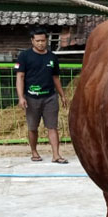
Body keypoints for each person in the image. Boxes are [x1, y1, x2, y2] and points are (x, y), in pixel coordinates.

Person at [15, 28, 68, 163]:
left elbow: (56, 78)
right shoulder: (24, 56)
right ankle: (34, 152)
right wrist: (21, 97)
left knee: (52, 126)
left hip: (50, 97)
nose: (40, 43)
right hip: (31, 98)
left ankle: (56, 155)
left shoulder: (52, 57)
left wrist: (62, 95)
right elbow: (20, 77)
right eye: (37, 41)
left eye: (43, 41)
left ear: (47, 41)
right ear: (32, 41)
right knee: (33, 127)